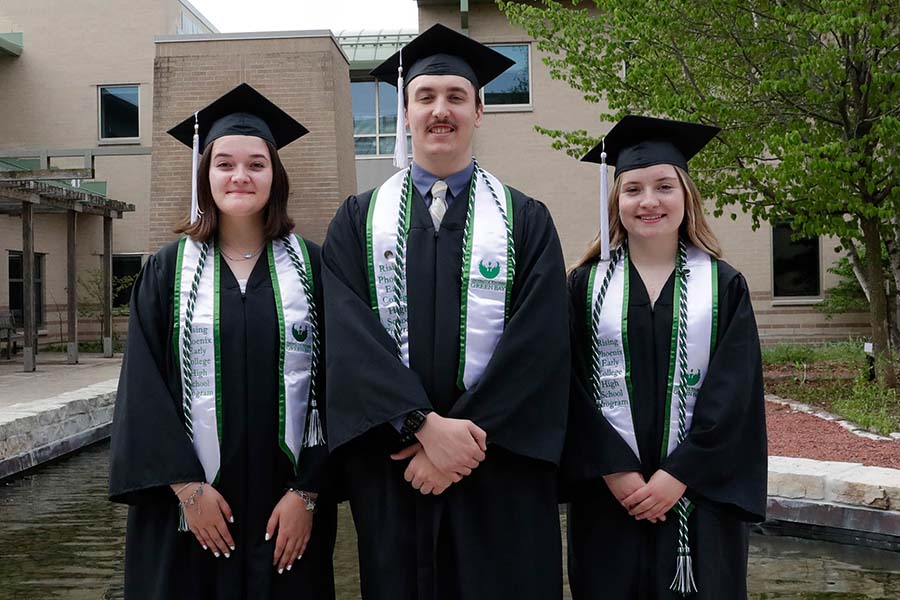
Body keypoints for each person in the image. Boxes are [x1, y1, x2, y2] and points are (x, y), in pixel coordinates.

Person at [322, 23, 569, 600]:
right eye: (425, 96)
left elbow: (540, 345)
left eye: (456, 97)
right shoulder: (357, 222)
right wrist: (421, 426)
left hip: (498, 467)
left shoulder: (526, 221)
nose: (441, 110)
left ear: (479, 111)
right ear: (405, 112)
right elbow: (348, 338)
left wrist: (461, 446)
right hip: (398, 465)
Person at [109, 83, 336, 600]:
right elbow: (142, 389)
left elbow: (338, 386)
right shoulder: (167, 271)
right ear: (204, 175)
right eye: (224, 164)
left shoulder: (314, 268)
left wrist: (308, 492)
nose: (240, 176)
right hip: (188, 514)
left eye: (257, 164)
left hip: (287, 514)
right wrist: (187, 490)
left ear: (276, 176)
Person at [562, 115, 767, 599]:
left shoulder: (724, 286)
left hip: (699, 499)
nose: (649, 201)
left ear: (686, 196)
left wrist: (678, 475)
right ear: (616, 201)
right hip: (611, 497)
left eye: (664, 186)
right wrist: (614, 469)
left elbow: (734, 395)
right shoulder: (583, 287)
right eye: (633, 189)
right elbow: (567, 385)